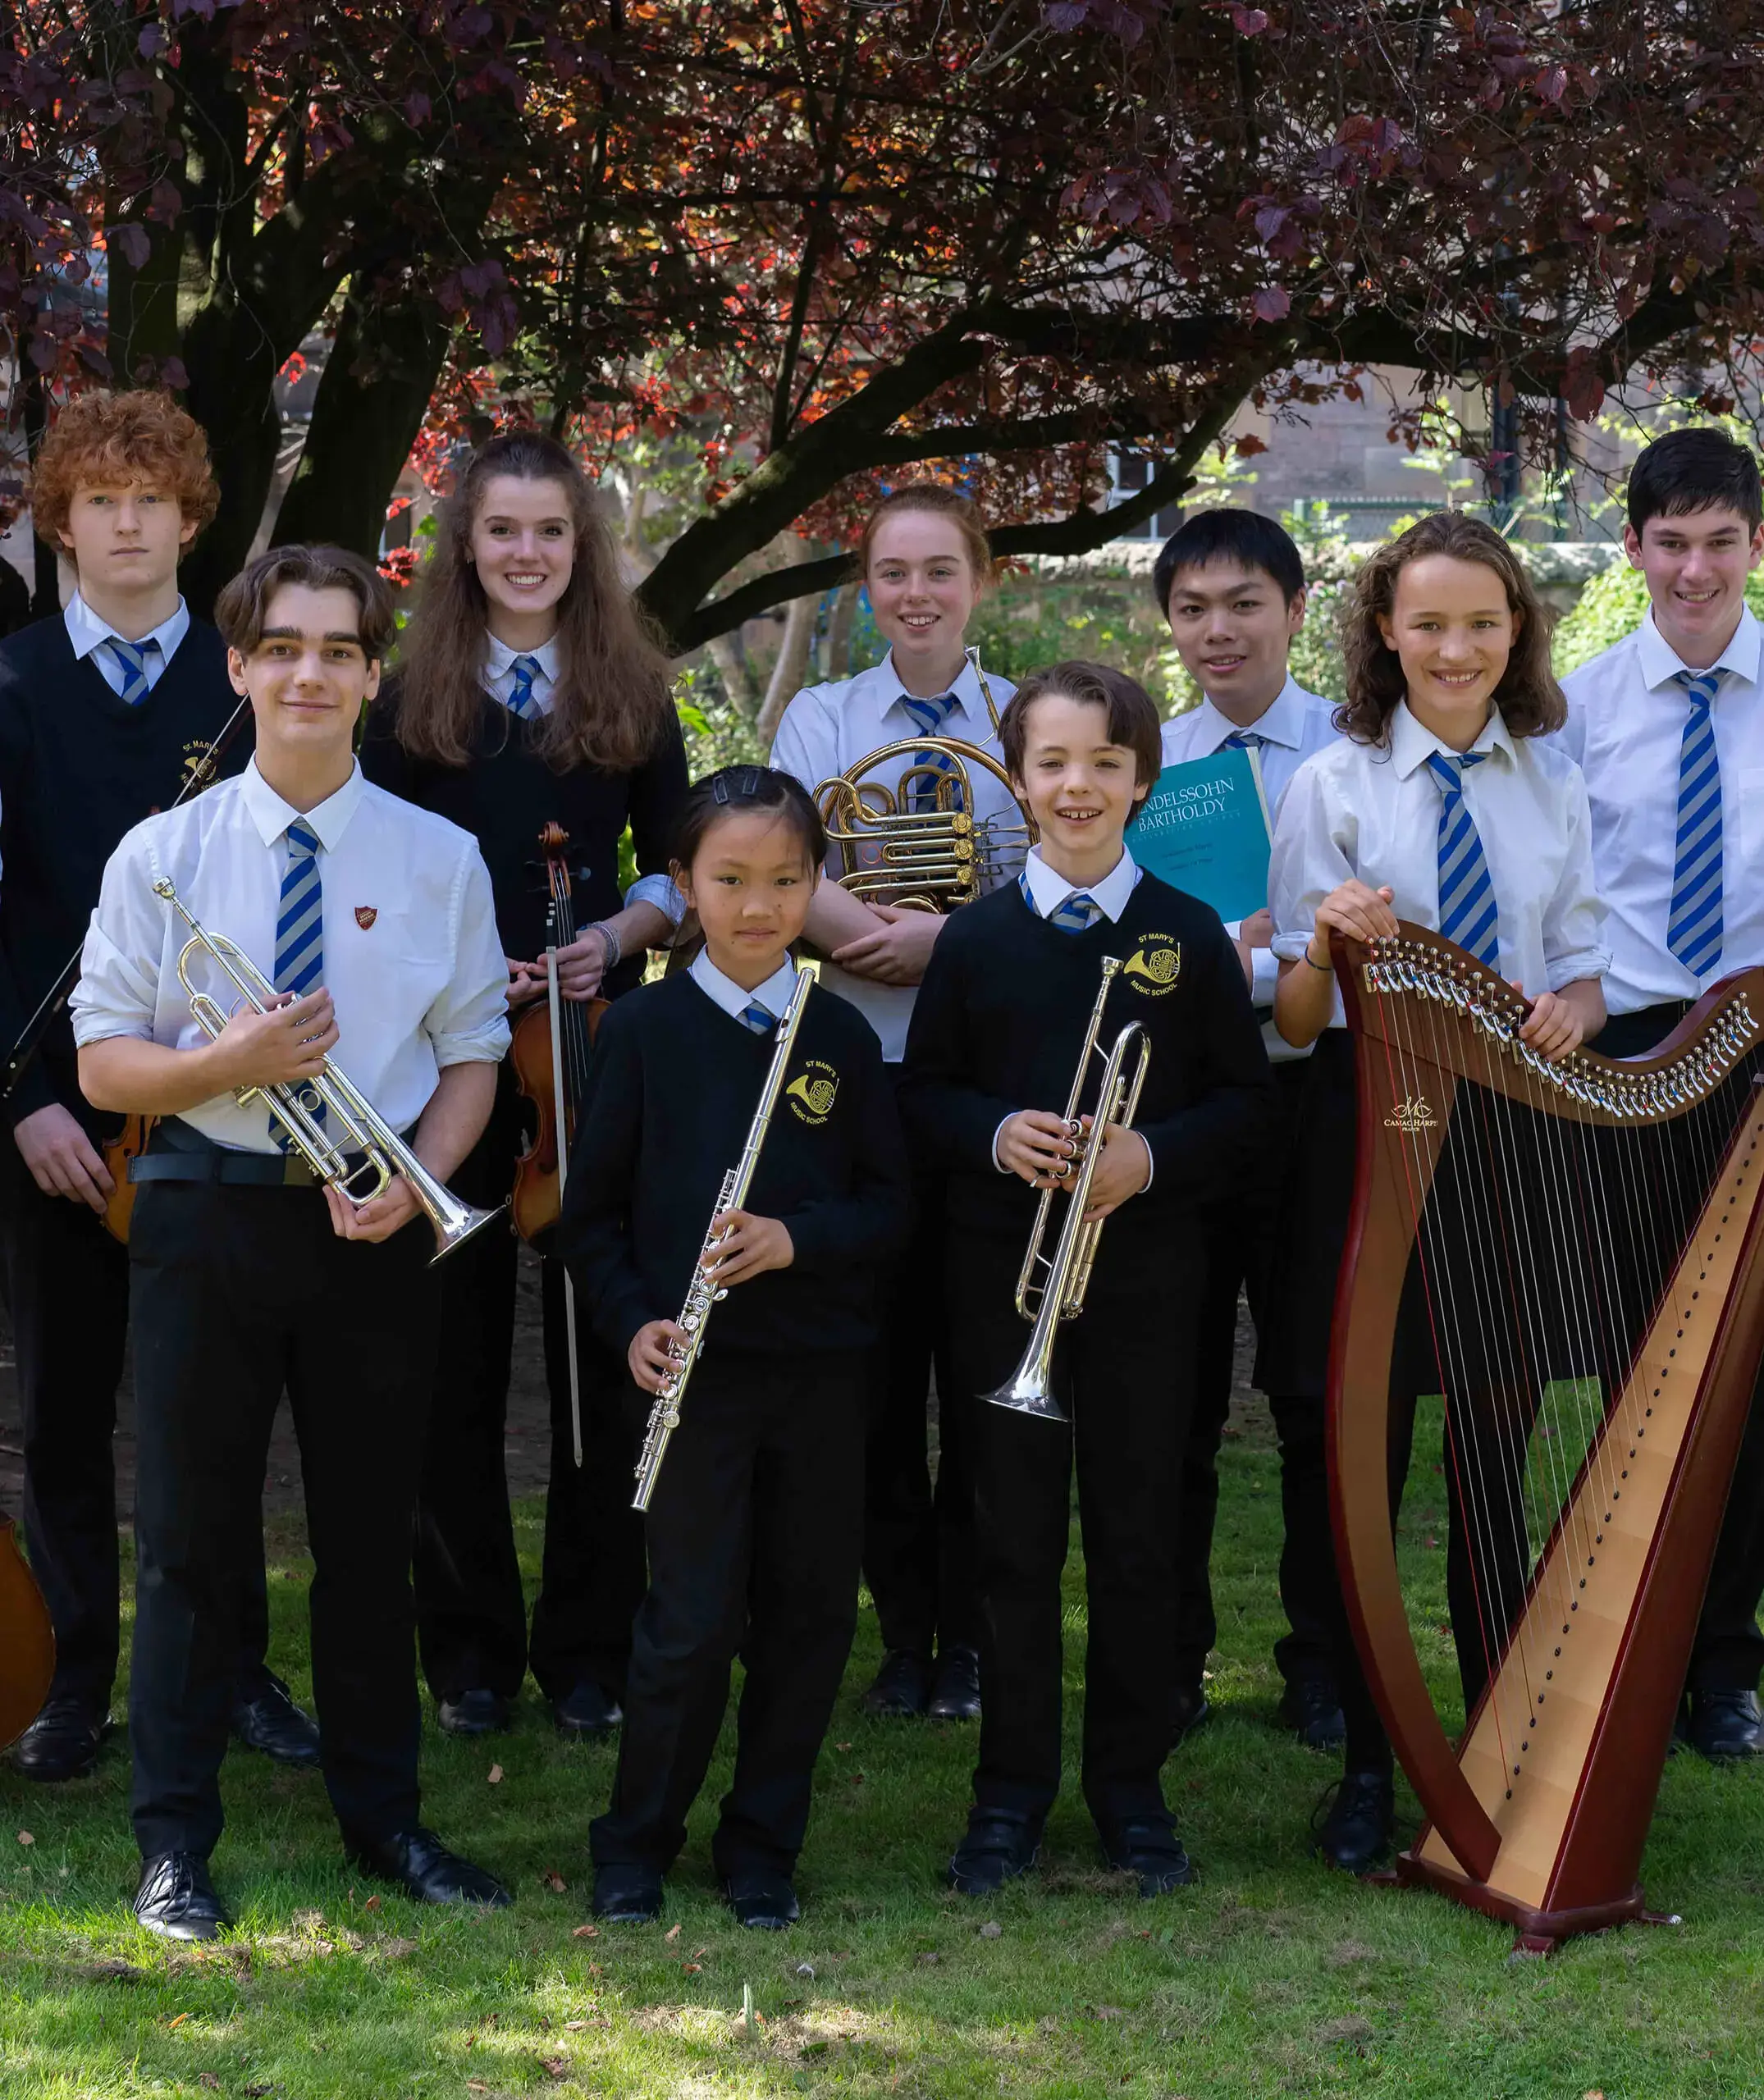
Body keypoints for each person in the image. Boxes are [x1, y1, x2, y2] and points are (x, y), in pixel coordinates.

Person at [73, 544, 512, 1941]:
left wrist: (418, 1180)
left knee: (371, 1540)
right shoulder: (164, 853)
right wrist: (229, 1059)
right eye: (285, 648)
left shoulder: (441, 858)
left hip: (369, 1219)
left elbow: (471, 1060)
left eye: (338, 649)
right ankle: (173, 1844)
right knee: (192, 1544)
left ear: (372, 675)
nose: (310, 672)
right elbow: (102, 1070)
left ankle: (386, 1822)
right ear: (241, 669)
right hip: (207, 1211)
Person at [1267, 511, 1607, 1873]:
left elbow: (1578, 967)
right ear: (1383, 632)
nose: (1454, 647)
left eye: (1481, 622)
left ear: (1514, 629)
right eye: (1427, 623)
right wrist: (1326, 944)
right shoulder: (1332, 782)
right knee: (1363, 1466)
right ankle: (1368, 1757)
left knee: (1487, 1465)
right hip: (1369, 1134)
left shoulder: (1552, 782)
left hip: (1509, 1146)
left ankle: (1494, 1746)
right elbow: (1295, 1018)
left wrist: (1576, 1011)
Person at [902, 661, 1272, 1897]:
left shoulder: (1187, 937)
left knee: (1135, 1542)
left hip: (1149, 1292)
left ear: (1142, 782)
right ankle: (1006, 1795)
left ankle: (1130, 1792)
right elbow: (924, 1095)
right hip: (999, 1288)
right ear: (1016, 782)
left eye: (1104, 765)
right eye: (1052, 764)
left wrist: (1148, 1154)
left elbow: (1244, 1108)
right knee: (1006, 1547)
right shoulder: (973, 938)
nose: (1077, 787)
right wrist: (994, 1134)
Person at [0, 390, 313, 1784]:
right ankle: (73, 1682)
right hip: (54, 1117)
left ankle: (234, 1668)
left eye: (152, 502)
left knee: (222, 1404)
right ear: (58, 525)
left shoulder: (254, 688)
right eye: (98, 502)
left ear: (195, 521)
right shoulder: (7, 685)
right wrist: (21, 1102)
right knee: (66, 1406)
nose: (125, 525)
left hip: (226, 1104)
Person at [363, 429, 688, 1742]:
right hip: (445, 1053)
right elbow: (370, 873)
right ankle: (470, 1650)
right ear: (466, 543)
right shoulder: (407, 698)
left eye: (549, 530)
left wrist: (611, 938)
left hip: (591, 1043)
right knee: (451, 1360)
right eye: (501, 530)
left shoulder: (631, 683)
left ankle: (592, 1646)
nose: (526, 553)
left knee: (602, 1353)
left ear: (580, 544)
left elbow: (678, 863)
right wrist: (453, 966)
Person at [560, 765, 909, 1929]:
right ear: (680, 886)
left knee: (809, 1616)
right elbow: (589, 1221)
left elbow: (888, 1209)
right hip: (692, 1381)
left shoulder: (842, 1039)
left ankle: (761, 1845)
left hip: (816, 1373)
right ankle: (634, 1842)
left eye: (783, 882)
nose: (757, 906)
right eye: (729, 881)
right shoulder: (646, 1031)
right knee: (689, 1621)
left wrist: (796, 1242)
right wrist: (631, 1327)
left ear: (816, 886)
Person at [770, 483, 1020, 1724]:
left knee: (977, 1366)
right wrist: (888, 936)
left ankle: (971, 1637)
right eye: (888, 573)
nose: (912, 593)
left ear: (980, 581)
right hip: (858, 1075)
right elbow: (787, 861)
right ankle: (903, 1633)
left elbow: (1046, 872)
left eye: (937, 570)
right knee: (870, 1376)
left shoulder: (1026, 720)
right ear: (864, 588)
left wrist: (951, 944)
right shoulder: (821, 717)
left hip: (982, 1080)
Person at [1557, 425, 1764, 1760]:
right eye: (1669, 543)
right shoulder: (1571, 708)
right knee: (1640, 1359)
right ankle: (1617, 1635)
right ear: (1631, 550)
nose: (1693, 569)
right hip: (1623, 1053)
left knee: (1747, 1374)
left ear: (1756, 547)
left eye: (1720, 542)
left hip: (1757, 1041)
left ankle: (1721, 1668)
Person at [1153, 508, 1344, 1752]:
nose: (1217, 631)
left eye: (1242, 605)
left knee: (1318, 1397)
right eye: (1191, 610)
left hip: (1321, 1096)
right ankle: (1164, 1663)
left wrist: (1273, 951)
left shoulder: (1356, 743)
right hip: (1178, 1103)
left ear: (1292, 606)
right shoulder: (1139, 759)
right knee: (1166, 1398)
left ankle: (1323, 1663)